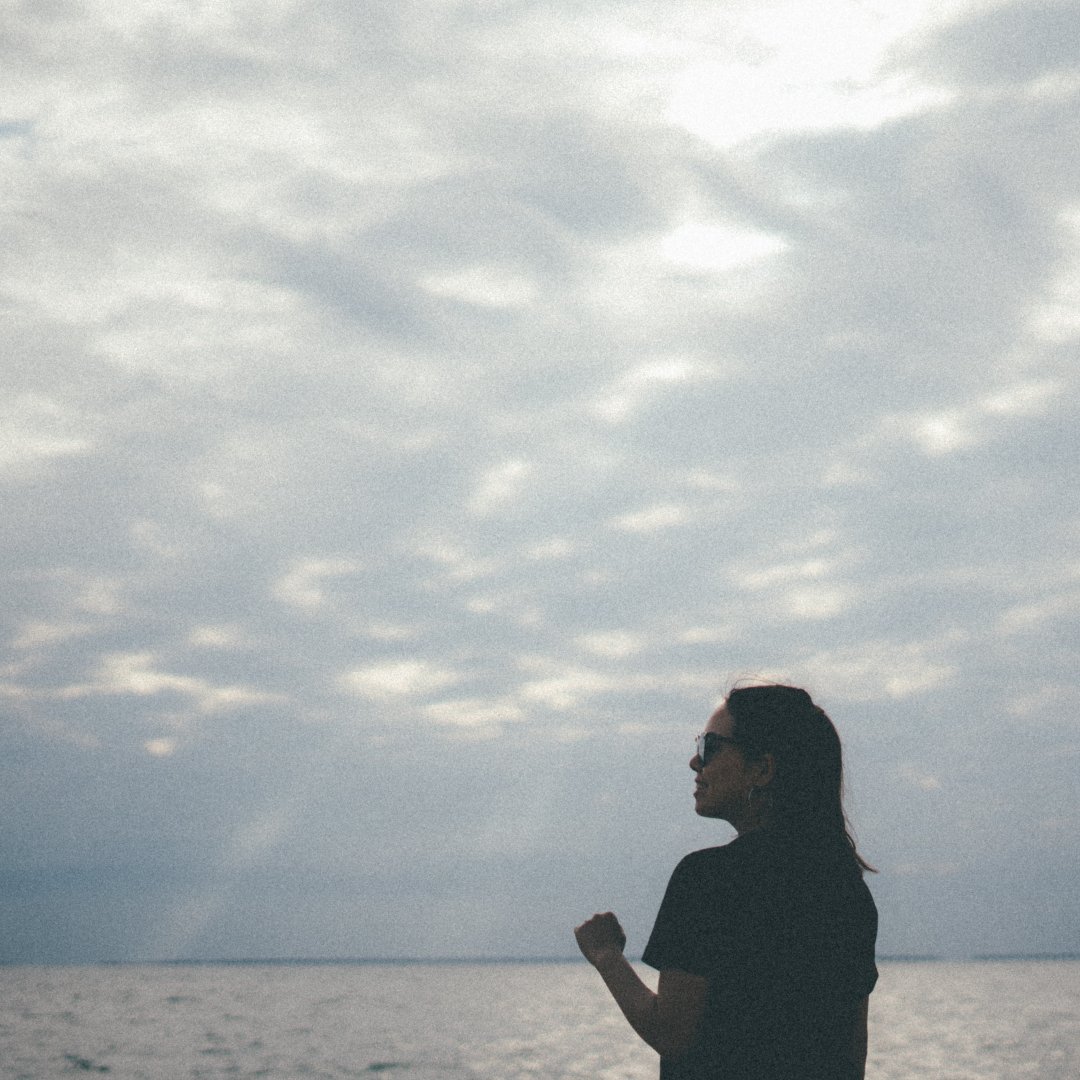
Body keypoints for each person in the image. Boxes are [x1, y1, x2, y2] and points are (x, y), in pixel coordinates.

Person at [575, 683, 878, 1080]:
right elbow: (851, 1059)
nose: (694, 762)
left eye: (710, 748)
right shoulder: (846, 890)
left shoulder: (708, 880)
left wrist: (606, 956)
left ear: (763, 769)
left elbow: (671, 1032)